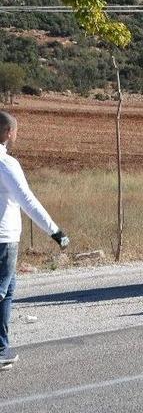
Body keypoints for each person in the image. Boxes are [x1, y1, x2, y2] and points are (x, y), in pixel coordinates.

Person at [0, 111, 69, 371]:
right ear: (8, 133)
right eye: (15, 131)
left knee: (7, 293)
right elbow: (26, 200)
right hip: (4, 240)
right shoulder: (6, 163)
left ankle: (1, 347)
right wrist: (55, 231)